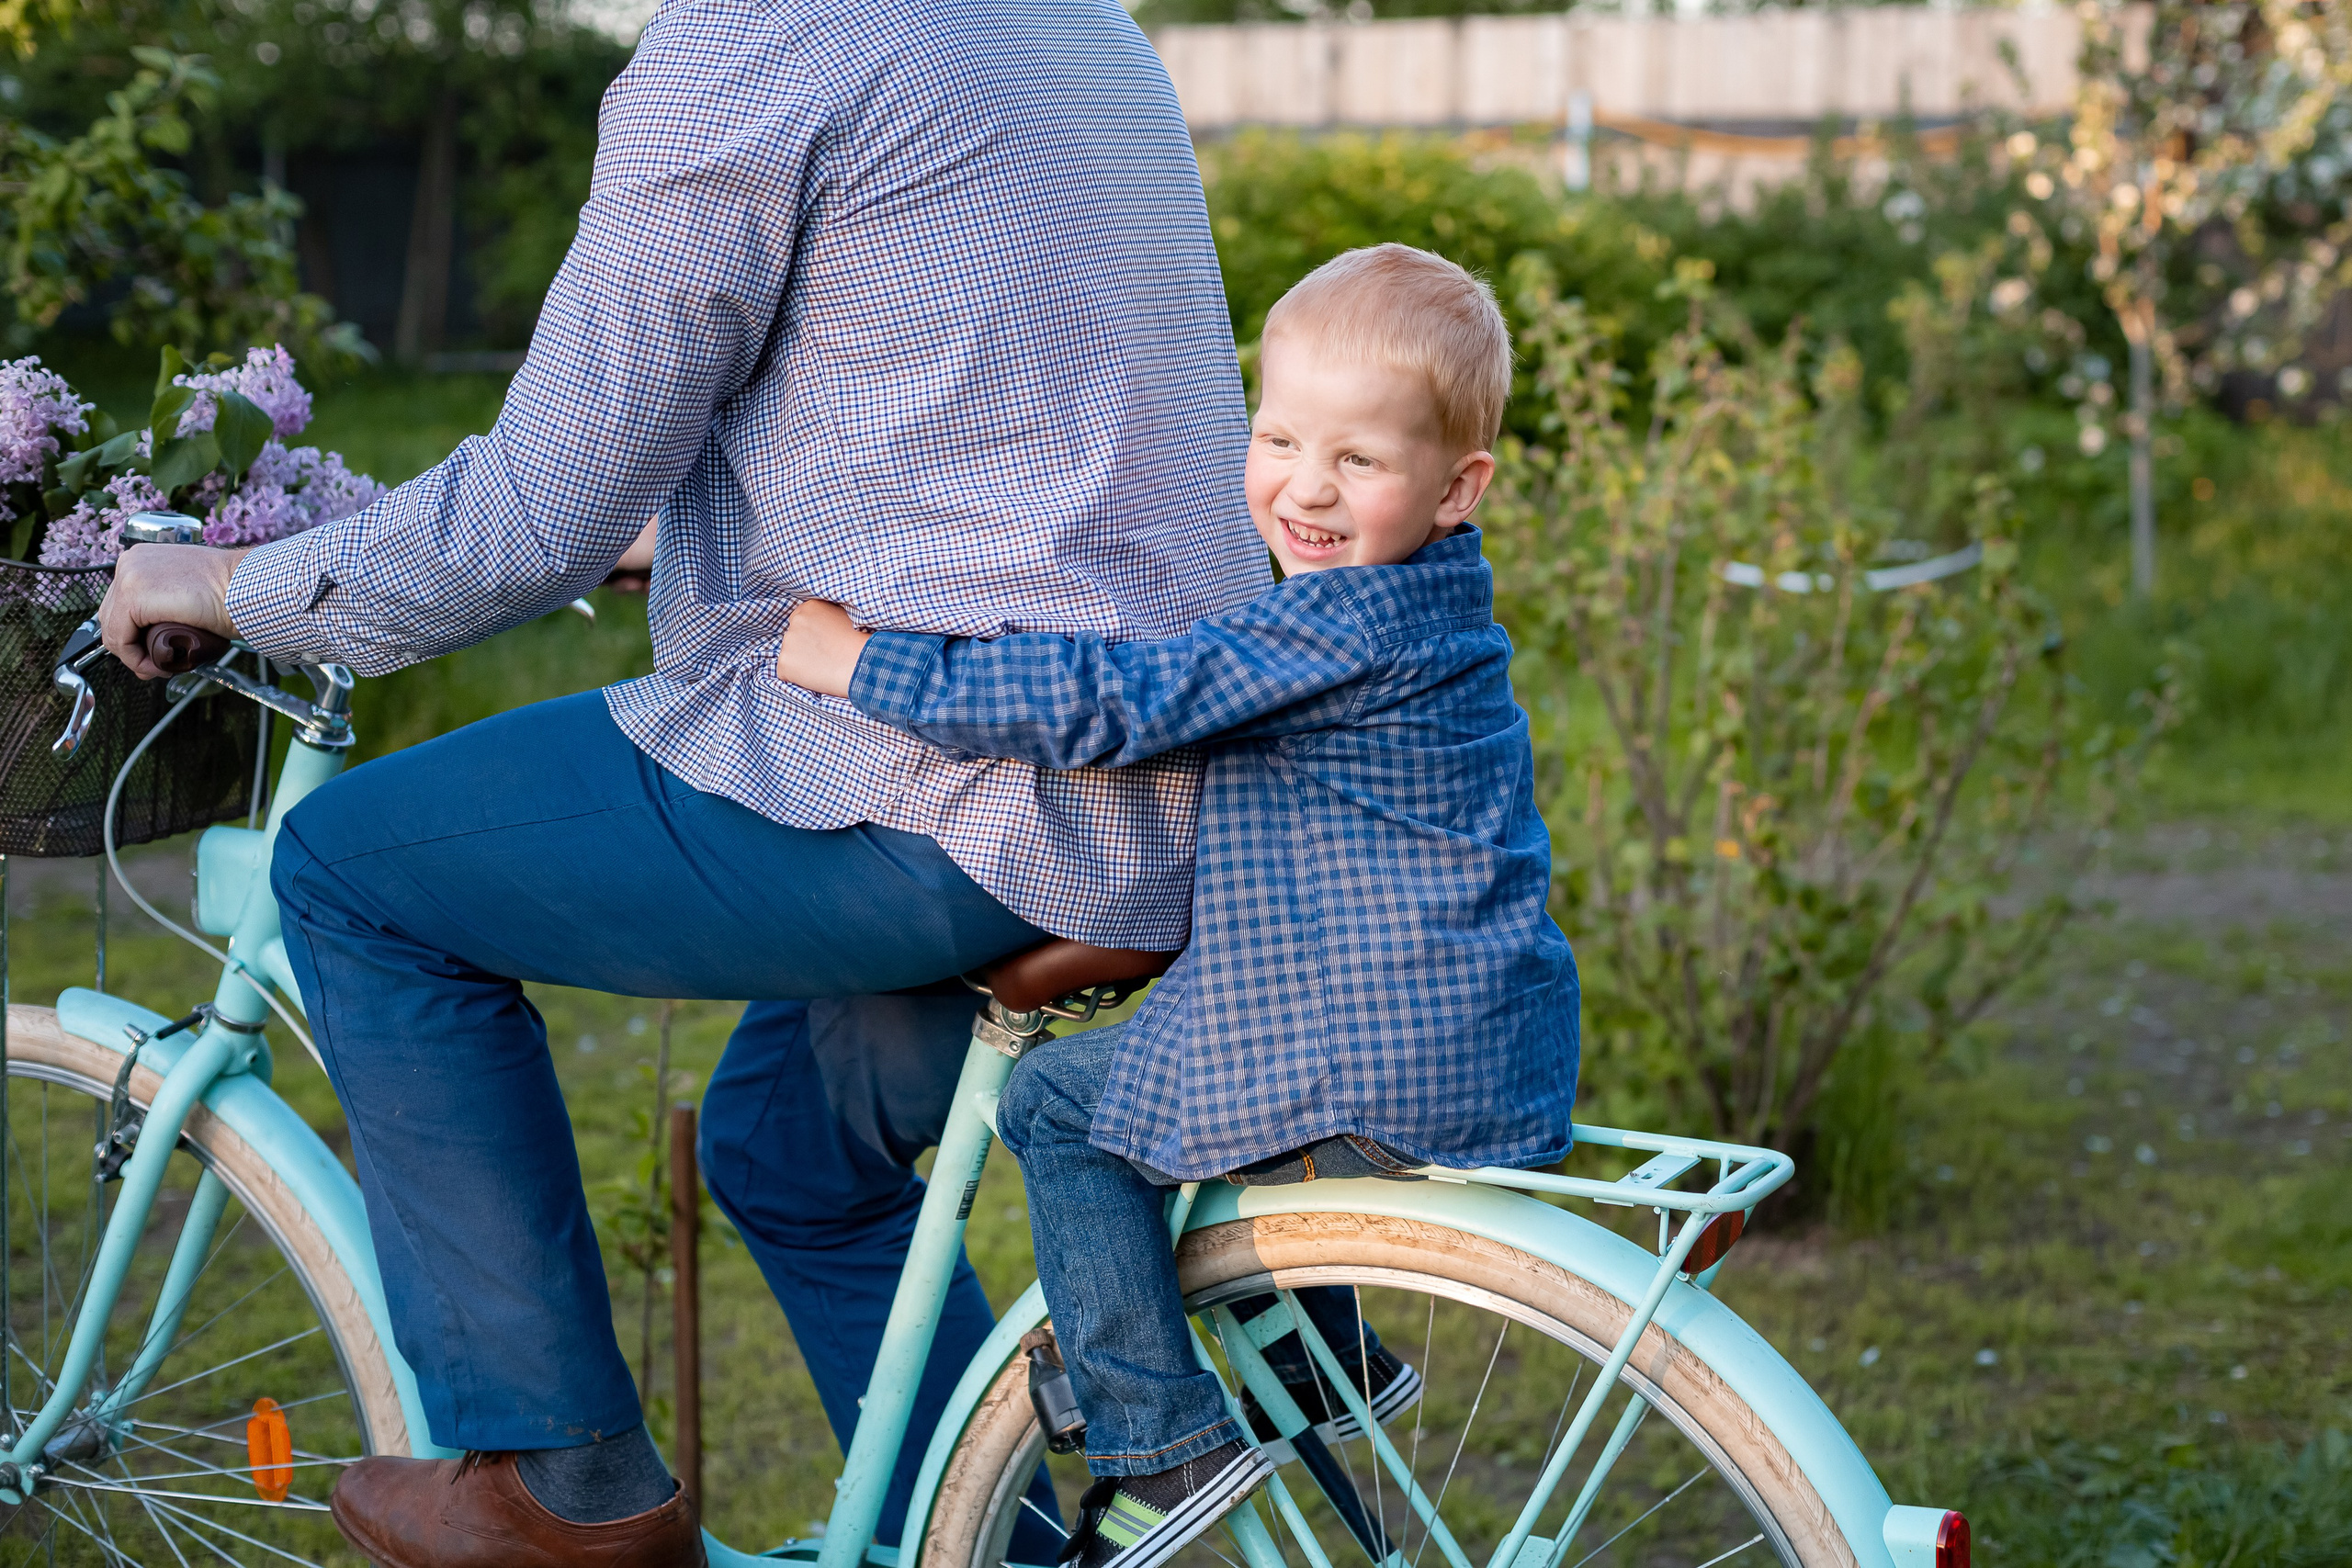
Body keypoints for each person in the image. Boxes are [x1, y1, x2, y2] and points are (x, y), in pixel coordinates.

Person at [93, 1, 1328, 1562]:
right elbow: (1000, 420)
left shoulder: (753, 46)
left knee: (349, 871)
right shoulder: (1071, 18)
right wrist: (704, 544)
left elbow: (525, 516)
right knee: (785, 1155)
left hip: (949, 778)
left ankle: (558, 1485)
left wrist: (223, 584)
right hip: (1157, 769)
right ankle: (1000, 1547)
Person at [775, 244, 1582, 1568]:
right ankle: (1317, 1360)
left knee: (1060, 1112)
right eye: (1278, 438)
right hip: (1482, 1043)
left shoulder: (1338, 624)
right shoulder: (1437, 606)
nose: (1306, 489)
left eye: (1359, 462)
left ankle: (1160, 1446)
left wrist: (863, 662)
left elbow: (1121, 708)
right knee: (1196, 1100)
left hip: (1373, 1051)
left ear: (1458, 487)